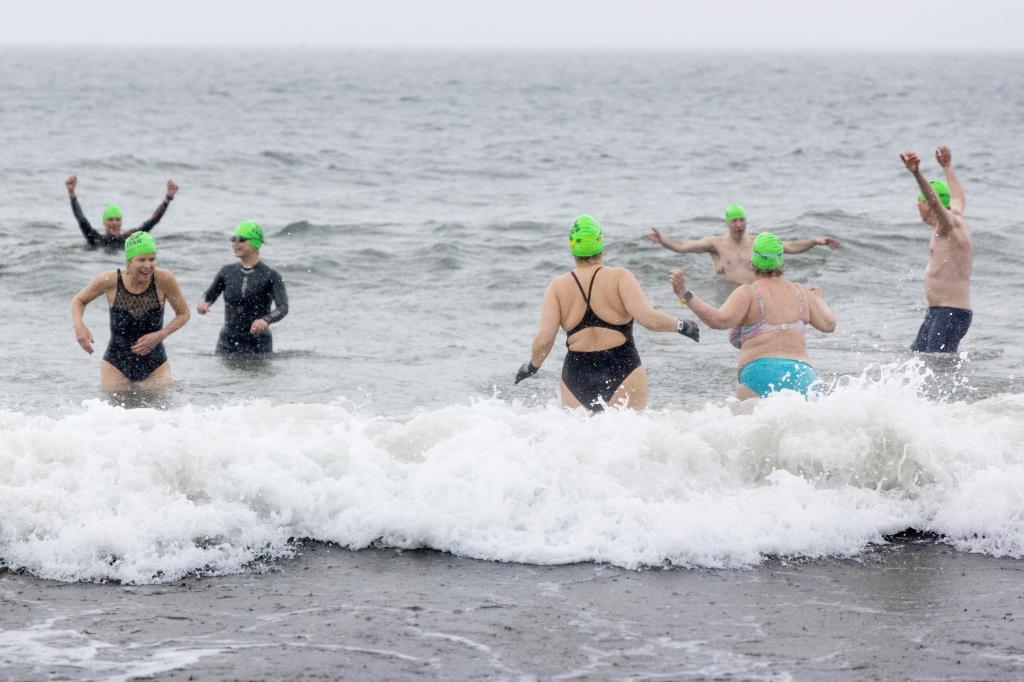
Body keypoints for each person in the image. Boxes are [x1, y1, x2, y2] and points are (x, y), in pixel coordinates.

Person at [514, 215, 699, 412]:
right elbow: (649, 319)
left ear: (571, 247)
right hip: (623, 367)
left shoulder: (557, 287)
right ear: (601, 244)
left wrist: (532, 367)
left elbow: (544, 340)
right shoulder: (620, 277)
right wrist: (683, 326)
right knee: (628, 438)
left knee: (582, 440)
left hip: (576, 374)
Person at [670, 232, 835, 399]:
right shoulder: (801, 292)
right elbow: (829, 325)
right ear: (781, 260)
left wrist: (685, 294)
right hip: (803, 374)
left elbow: (718, 320)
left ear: (753, 260)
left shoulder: (748, 293)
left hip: (760, 373)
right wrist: (819, 299)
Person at [71, 232, 190, 393]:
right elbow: (79, 300)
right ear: (129, 260)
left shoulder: (164, 279)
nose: (148, 265)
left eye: (152, 259)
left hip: (155, 365)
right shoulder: (110, 280)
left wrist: (160, 335)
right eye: (141, 259)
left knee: (162, 415)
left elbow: (183, 314)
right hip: (116, 365)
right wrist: (79, 326)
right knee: (114, 416)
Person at [649, 203, 840, 285]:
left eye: (742, 219)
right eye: (735, 220)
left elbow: (789, 247)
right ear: (727, 222)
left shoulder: (757, 242)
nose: (739, 224)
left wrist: (815, 241)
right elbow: (684, 247)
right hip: (727, 292)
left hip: (755, 289)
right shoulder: (715, 244)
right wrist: (663, 239)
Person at [899, 146, 974, 353]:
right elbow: (958, 198)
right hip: (939, 312)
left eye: (919, 202)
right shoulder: (955, 215)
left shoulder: (947, 224)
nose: (917, 206)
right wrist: (947, 167)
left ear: (927, 205)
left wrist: (916, 173)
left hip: (950, 313)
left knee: (938, 367)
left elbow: (935, 201)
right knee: (919, 357)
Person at [197, 221, 289, 354]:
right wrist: (203, 303)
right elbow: (208, 295)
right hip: (228, 342)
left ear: (255, 242)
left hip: (258, 343)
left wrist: (265, 320)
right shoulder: (227, 271)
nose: (235, 244)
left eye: (241, 240)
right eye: (233, 239)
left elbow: (283, 307)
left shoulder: (271, 275)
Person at [65, 175, 179, 249]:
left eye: (117, 219)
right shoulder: (96, 239)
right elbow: (81, 219)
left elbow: (152, 222)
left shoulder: (128, 239)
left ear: (121, 222)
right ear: (104, 222)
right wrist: (72, 194)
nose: (114, 222)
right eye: (110, 219)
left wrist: (168, 198)